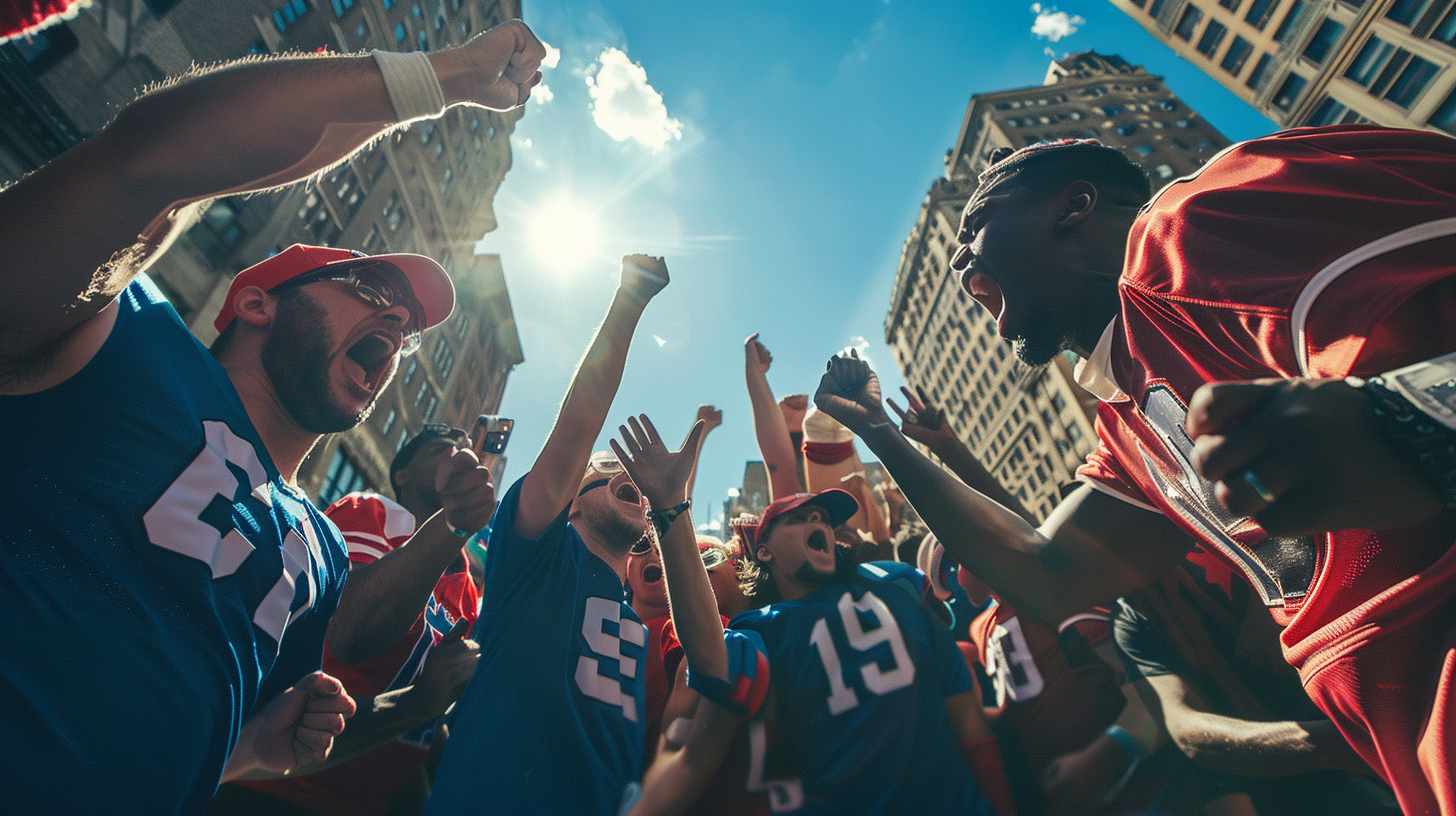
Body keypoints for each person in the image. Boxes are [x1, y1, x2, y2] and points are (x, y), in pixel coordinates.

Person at [812, 125, 1456, 815]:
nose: (959, 257)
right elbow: (1047, 573)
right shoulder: (1124, 426)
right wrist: (879, 432)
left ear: (1073, 206)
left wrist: (1412, 421)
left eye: (976, 225)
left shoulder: (1200, 222)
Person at [0, 19, 544, 812]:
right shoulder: (122, 338)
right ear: (255, 302)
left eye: (406, 329)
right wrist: (441, 78)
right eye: (370, 295)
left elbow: (244, 751)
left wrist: (259, 746)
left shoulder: (321, 549)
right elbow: (148, 163)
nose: (395, 328)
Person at [613, 411, 1010, 816]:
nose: (816, 522)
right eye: (799, 518)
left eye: (822, 518)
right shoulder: (760, 628)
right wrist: (668, 506)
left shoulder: (898, 587)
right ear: (763, 551)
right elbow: (712, 668)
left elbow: (968, 724)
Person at [426, 255, 672, 816]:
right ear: (571, 506)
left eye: (632, 478)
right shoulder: (535, 556)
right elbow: (579, 426)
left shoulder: (639, 621)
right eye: (606, 473)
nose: (626, 476)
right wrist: (630, 301)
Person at [221, 423, 494, 814]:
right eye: (439, 450)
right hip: (276, 791)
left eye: (461, 448)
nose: (455, 455)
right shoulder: (376, 512)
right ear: (403, 475)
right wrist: (453, 524)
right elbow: (351, 632)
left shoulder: (467, 585)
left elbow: (423, 726)